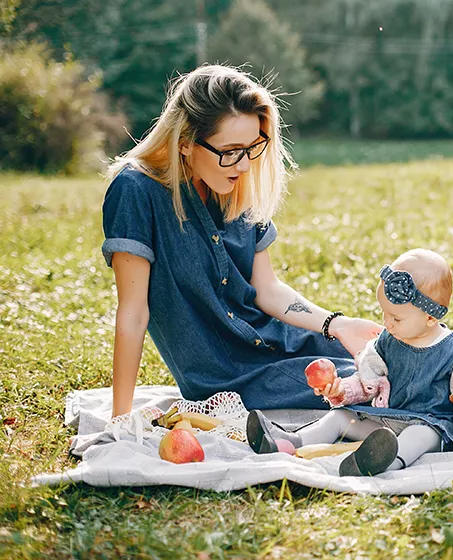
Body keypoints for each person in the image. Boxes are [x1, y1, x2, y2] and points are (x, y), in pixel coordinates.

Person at [102, 65, 382, 418]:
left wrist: (336, 324)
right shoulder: (135, 191)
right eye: (232, 150)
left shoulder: (232, 185)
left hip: (286, 340)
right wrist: (121, 419)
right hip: (234, 375)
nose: (246, 165)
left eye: (252, 148)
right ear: (185, 142)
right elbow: (133, 312)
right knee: (376, 386)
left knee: (402, 354)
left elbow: (267, 289)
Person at [246, 249, 453, 477]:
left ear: (430, 317)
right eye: (384, 313)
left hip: (433, 428)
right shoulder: (387, 341)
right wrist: (341, 389)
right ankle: (290, 442)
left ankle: (385, 462)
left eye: (396, 317)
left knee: (418, 434)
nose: (387, 323)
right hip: (388, 420)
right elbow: (368, 382)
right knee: (340, 417)